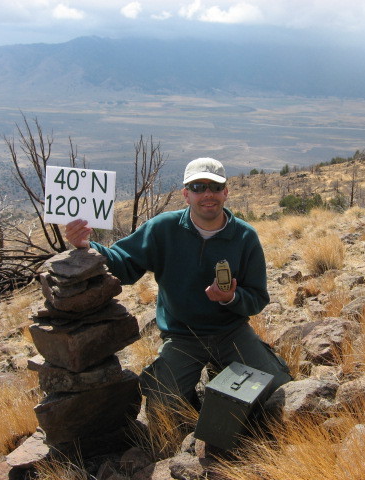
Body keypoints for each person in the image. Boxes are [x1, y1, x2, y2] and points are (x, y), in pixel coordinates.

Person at [65, 157, 291, 412]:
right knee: (164, 409)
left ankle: (224, 374)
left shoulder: (245, 236)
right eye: (198, 187)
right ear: (186, 195)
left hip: (232, 331)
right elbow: (124, 265)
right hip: (182, 335)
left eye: (215, 187)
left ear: (225, 193)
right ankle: (196, 397)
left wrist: (231, 297)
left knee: (278, 391)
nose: (207, 194)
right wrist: (87, 246)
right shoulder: (163, 228)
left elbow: (258, 298)